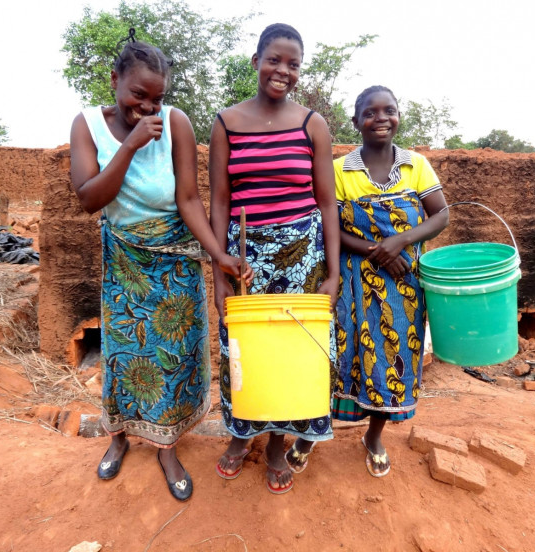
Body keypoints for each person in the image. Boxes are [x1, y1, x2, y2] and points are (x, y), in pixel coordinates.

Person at [69, 29, 252, 501]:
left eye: (157, 98)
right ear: (114, 81)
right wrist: (129, 145)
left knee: (172, 360)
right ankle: (119, 438)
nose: (148, 108)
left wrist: (220, 255)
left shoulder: (177, 124)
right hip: (125, 263)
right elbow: (90, 199)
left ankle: (167, 447)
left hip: (175, 265)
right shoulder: (87, 125)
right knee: (124, 354)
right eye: (137, 95)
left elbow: (189, 199)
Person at [208, 23, 340, 494]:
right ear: (255, 61)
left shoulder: (312, 124)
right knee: (242, 350)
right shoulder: (226, 122)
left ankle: (279, 443)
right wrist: (219, 271)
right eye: (274, 60)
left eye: (293, 64)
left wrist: (334, 273)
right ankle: (242, 435)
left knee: (291, 351)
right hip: (245, 258)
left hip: (304, 257)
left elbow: (328, 203)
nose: (283, 71)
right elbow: (219, 202)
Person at [331, 85, 449, 477]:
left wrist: (400, 242)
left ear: (399, 116)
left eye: (389, 110)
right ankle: (311, 435)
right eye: (370, 112)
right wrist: (375, 250)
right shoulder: (339, 170)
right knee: (342, 357)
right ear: (355, 122)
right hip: (354, 283)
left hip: (403, 285)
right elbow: (329, 225)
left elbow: (440, 216)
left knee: (394, 358)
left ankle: (374, 436)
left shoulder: (417, 165)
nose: (381, 118)